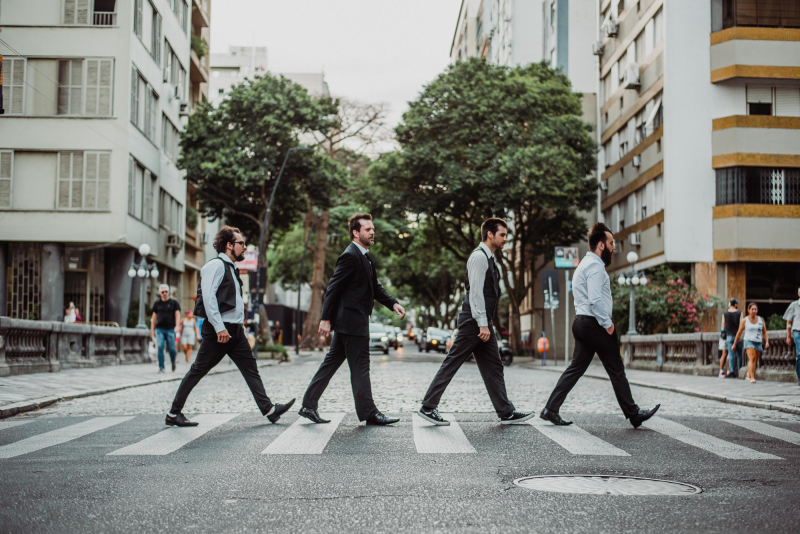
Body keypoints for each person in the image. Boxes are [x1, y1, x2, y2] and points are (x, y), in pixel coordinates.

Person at [165, 226, 295, 427]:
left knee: (250, 369)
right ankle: (174, 413)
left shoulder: (231, 268)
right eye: (241, 243)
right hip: (220, 331)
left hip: (235, 331)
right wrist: (219, 328)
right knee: (198, 370)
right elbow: (209, 299)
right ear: (229, 245)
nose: (244, 247)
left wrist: (238, 326)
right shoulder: (215, 266)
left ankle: (269, 410)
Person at [540, 222, 660, 428]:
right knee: (616, 369)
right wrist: (607, 323)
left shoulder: (583, 265)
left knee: (575, 369)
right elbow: (595, 300)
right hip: (595, 324)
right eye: (611, 243)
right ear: (601, 245)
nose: (614, 247)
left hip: (581, 322)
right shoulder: (595, 266)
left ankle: (550, 409)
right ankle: (633, 413)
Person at [418, 218, 532, 426]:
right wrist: (482, 323)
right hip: (474, 322)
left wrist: (485, 322)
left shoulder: (489, 258)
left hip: (482, 321)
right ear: (490, 234)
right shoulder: (479, 257)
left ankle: (506, 412)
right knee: (453, 362)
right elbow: (476, 292)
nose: (505, 239)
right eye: (502, 235)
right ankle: (428, 407)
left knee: (494, 366)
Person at [298, 213, 405, 426]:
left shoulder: (363, 256)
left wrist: (393, 303)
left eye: (373, 229)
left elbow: (374, 286)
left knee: (331, 363)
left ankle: (308, 405)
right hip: (352, 322)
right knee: (361, 367)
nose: (372, 232)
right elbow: (333, 288)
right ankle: (369, 413)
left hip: (349, 322)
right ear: (356, 233)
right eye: (367, 229)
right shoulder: (350, 256)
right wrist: (325, 318)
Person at [732, 302, 769, 384]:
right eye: (752, 309)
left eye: (755, 309)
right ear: (748, 310)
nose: (754, 311)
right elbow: (739, 333)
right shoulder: (745, 320)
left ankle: (749, 373)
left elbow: (764, 332)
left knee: (755, 360)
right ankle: (752, 377)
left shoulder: (761, 319)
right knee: (752, 358)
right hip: (748, 341)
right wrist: (734, 344)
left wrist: (767, 341)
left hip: (758, 341)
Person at [150, 284, 181, 373]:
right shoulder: (157, 303)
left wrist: (177, 326)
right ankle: (161, 367)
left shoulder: (174, 303)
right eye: (162, 292)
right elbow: (154, 317)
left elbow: (177, 315)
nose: (164, 293)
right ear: (160, 293)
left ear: (168, 292)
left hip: (170, 329)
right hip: (159, 328)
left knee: (172, 348)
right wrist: (152, 330)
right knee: (160, 347)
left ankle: (173, 362)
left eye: (166, 291)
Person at [782, 288, 800, 386]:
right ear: (799, 294)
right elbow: (788, 322)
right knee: (799, 353)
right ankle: (799, 377)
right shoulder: (794, 305)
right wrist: (788, 336)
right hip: (797, 331)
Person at [722, 298, 743, 379]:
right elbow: (741, 325)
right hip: (738, 335)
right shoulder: (739, 313)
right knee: (739, 354)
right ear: (735, 304)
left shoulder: (725, 313)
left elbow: (723, 325)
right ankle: (739, 371)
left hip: (729, 335)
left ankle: (731, 371)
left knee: (730, 354)